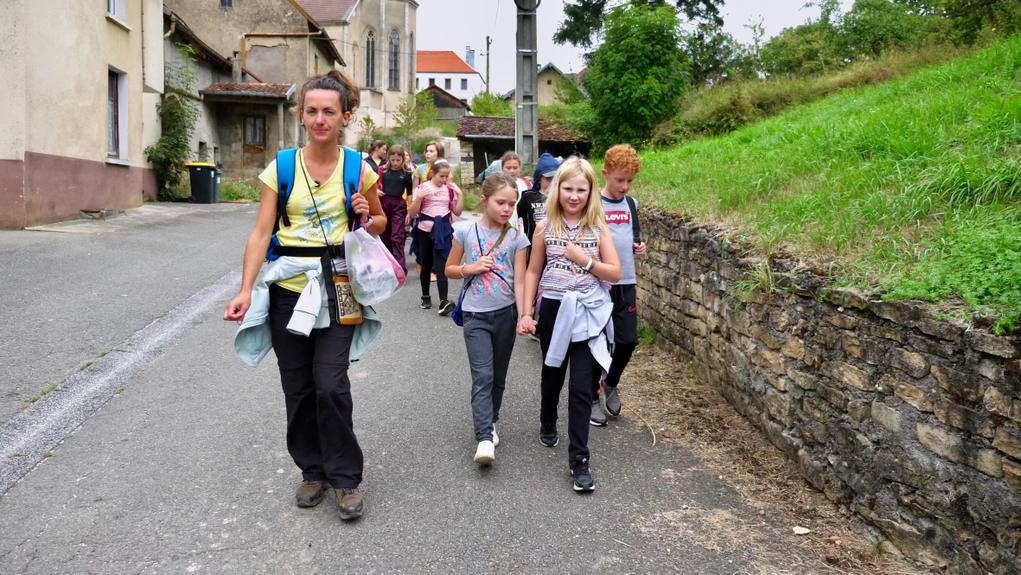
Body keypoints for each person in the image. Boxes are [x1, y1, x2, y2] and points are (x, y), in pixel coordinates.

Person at [223, 69, 386, 521]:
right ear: (301, 115)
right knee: (298, 387)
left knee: (331, 384)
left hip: (338, 288)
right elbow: (260, 234)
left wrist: (365, 215)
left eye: (328, 112)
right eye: (312, 111)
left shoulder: (360, 168)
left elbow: (380, 224)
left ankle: (346, 476)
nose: (319, 119)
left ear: (344, 116)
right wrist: (243, 290)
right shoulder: (280, 167)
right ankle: (312, 470)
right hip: (288, 289)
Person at [519, 157, 621, 493]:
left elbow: (615, 273)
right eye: (568, 188)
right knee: (552, 374)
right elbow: (534, 270)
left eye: (581, 189)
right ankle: (548, 417)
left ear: (591, 191)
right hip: (553, 308)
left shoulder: (599, 227)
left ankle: (580, 462)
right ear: (557, 189)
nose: (574, 195)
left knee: (581, 388)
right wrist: (527, 312)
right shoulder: (545, 226)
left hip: (588, 313)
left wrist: (586, 261)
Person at [445, 173, 529, 465]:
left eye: (512, 204)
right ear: (484, 200)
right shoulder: (465, 231)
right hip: (475, 313)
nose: (507, 209)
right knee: (483, 375)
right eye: (500, 202)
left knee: (499, 376)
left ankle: (491, 420)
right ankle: (483, 438)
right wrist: (470, 268)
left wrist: (524, 314)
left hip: (505, 313)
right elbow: (450, 269)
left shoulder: (518, 236)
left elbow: (520, 279)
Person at [590, 144, 647, 427]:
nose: (624, 186)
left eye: (629, 181)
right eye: (619, 180)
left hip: (627, 282)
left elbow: (630, 235)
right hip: (598, 285)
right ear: (606, 173)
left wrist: (638, 246)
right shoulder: (593, 204)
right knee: (593, 342)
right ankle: (590, 397)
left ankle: (610, 382)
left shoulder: (632, 204)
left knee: (627, 341)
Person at [409, 159, 463, 314]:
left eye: (447, 176)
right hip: (425, 230)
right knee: (425, 264)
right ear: (432, 173)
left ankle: (443, 301)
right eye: (442, 176)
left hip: (443, 230)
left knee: (442, 266)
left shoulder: (449, 190)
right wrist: (419, 197)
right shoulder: (422, 188)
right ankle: (425, 297)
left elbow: (458, 212)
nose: (445, 180)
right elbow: (413, 213)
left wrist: (460, 195)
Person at [518, 152, 560, 263]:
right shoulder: (528, 197)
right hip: (531, 250)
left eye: (555, 178)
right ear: (539, 178)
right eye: (548, 178)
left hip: (554, 250)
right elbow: (517, 217)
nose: (552, 182)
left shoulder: (562, 198)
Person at [378, 144, 414, 272]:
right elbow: (374, 185)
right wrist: (377, 191)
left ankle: (400, 267)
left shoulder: (406, 173)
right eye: (392, 160)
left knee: (397, 236)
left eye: (398, 160)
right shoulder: (382, 171)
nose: (395, 163)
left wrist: (410, 210)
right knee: (384, 235)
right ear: (389, 158)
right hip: (383, 203)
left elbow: (409, 193)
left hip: (399, 205)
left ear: (403, 160)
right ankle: (386, 266)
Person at [499, 152, 531, 230]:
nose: (512, 171)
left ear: (519, 168)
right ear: (502, 168)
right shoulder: (497, 185)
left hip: (522, 225)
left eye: (515, 167)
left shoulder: (526, 184)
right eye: (508, 168)